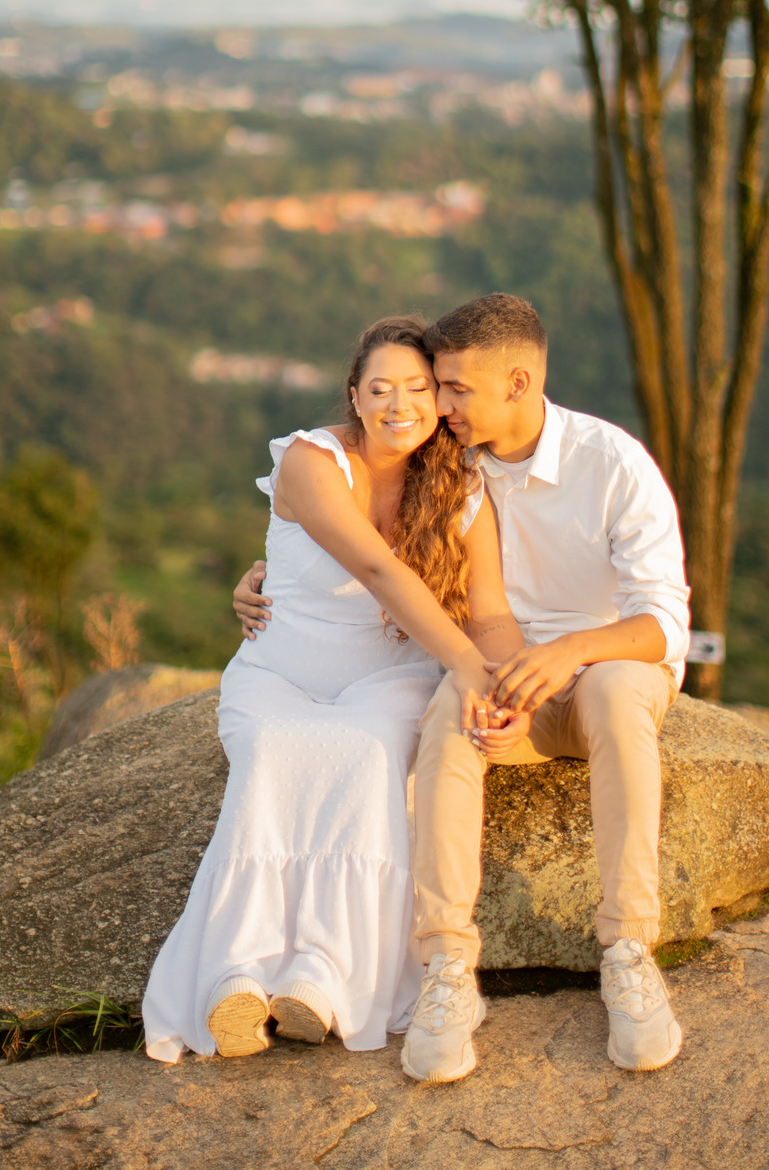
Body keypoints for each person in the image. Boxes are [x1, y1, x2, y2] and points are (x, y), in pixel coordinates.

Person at [235, 292, 690, 1085]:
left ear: (518, 383)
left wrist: (571, 653)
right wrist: (270, 579)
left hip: (602, 672)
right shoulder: (450, 461)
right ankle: (449, 969)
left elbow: (664, 623)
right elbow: (362, 543)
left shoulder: (613, 465)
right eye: (434, 388)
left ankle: (627, 952)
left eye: (453, 389)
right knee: (447, 709)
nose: (438, 405)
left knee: (617, 692)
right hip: (497, 670)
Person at [144, 314, 524, 1063]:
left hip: (389, 677)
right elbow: (381, 572)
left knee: (370, 749)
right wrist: (470, 669)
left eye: (417, 387)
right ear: (353, 395)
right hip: (278, 673)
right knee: (273, 755)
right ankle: (235, 979)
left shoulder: (461, 488)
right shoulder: (312, 462)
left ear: (440, 398)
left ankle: (322, 976)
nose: (398, 404)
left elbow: (489, 611)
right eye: (379, 387)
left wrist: (505, 686)